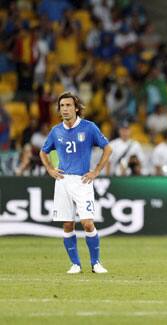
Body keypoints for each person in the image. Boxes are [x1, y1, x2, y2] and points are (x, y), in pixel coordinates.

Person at [39, 91, 112, 274]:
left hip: (82, 181)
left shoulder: (89, 128)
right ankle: (75, 264)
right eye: (62, 106)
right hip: (63, 181)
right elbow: (43, 151)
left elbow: (108, 148)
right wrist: (50, 169)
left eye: (68, 105)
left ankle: (95, 263)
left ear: (76, 108)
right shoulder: (56, 131)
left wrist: (96, 171)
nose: (65, 109)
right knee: (67, 225)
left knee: (87, 223)